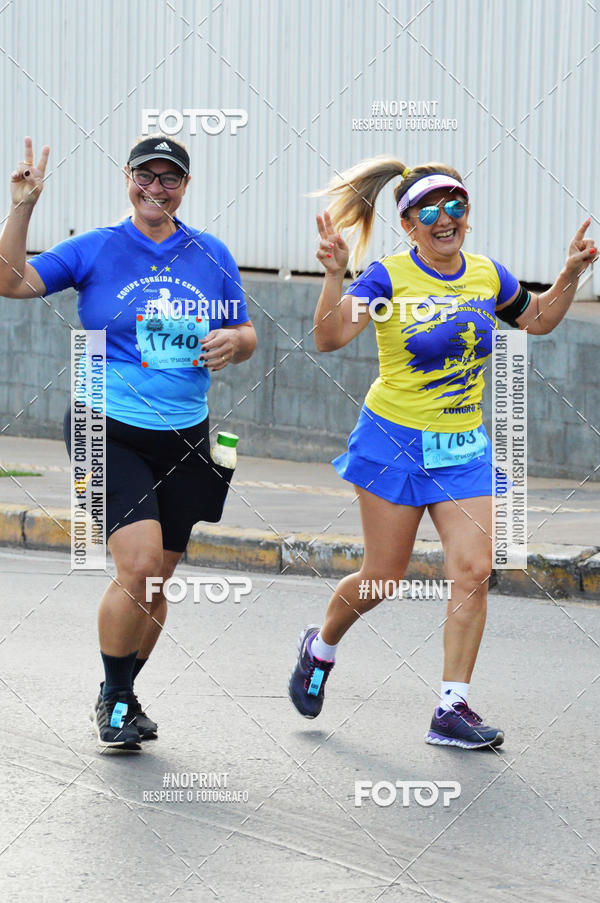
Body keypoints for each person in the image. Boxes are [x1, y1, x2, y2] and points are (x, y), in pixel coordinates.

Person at [289, 156, 596, 748]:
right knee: (382, 579)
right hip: (393, 443)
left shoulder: (487, 275)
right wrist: (334, 275)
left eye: (455, 204)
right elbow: (328, 338)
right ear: (408, 225)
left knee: (475, 570)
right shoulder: (387, 277)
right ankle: (320, 647)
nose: (445, 218)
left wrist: (569, 274)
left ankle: (451, 710)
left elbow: (537, 321)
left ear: (467, 214)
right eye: (428, 211)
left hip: (462, 448)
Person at [0, 136, 256, 749]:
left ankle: (121, 693)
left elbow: (244, 331)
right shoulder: (96, 247)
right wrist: (22, 207)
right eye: (146, 175)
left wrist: (236, 344)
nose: (156, 188)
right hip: (105, 424)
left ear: (185, 186)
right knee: (137, 566)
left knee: (157, 581)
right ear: (128, 177)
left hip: (187, 433)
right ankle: (115, 702)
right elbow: (11, 282)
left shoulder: (211, 254)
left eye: (170, 178)